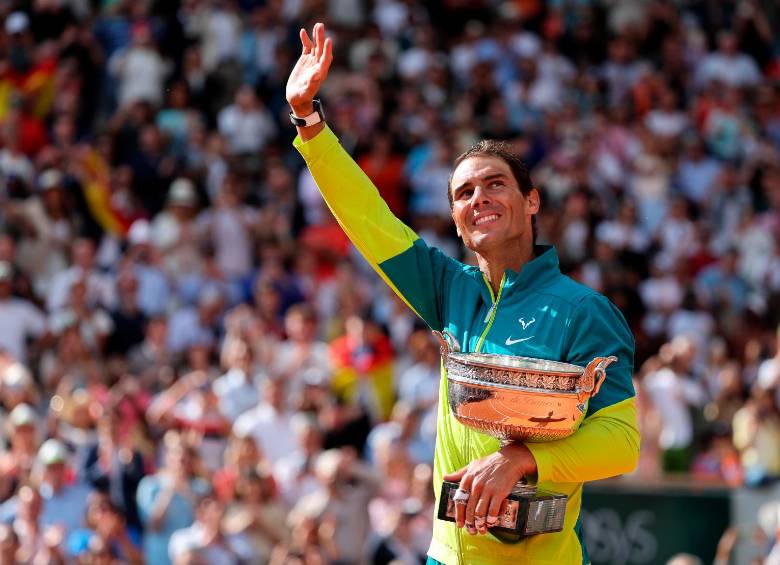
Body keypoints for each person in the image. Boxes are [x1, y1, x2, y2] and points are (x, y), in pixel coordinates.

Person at [287, 23, 639, 565]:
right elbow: (370, 222)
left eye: (496, 183)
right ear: (455, 219)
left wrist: (522, 459)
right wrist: (310, 123)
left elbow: (620, 441)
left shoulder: (584, 312)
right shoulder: (451, 291)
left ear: (532, 201)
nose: (480, 197)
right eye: (464, 193)